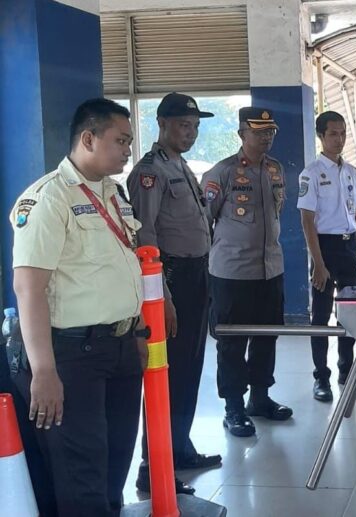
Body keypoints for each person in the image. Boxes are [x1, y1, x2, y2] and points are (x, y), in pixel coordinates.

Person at [10, 98, 147, 516]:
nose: (128, 150)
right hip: (72, 355)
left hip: (120, 348)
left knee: (114, 466)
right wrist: (44, 371)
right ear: (88, 138)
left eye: (129, 142)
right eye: (120, 141)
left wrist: (137, 333)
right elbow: (28, 289)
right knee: (81, 475)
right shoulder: (48, 199)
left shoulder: (113, 194)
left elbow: (124, 266)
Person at [127, 92, 219, 494]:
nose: (191, 133)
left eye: (195, 126)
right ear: (162, 124)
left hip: (196, 275)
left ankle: (179, 448)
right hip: (170, 280)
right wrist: (160, 295)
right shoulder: (149, 173)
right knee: (166, 373)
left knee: (189, 370)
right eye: (184, 125)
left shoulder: (180, 166)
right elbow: (145, 236)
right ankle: (153, 465)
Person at [202, 107, 293, 438]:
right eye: (258, 132)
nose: (266, 137)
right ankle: (233, 408)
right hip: (232, 273)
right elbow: (204, 221)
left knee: (267, 336)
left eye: (270, 132)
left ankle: (260, 397)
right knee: (232, 342)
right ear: (242, 134)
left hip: (270, 269)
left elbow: (277, 212)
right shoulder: (222, 173)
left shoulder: (275, 169)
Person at [297, 111, 356, 402]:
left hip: (348, 248)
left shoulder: (351, 171)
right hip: (325, 248)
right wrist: (318, 263)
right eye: (333, 133)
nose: (339, 139)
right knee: (320, 315)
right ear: (321, 136)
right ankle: (321, 377)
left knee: (349, 314)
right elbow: (307, 221)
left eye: (342, 133)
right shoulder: (311, 173)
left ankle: (347, 371)